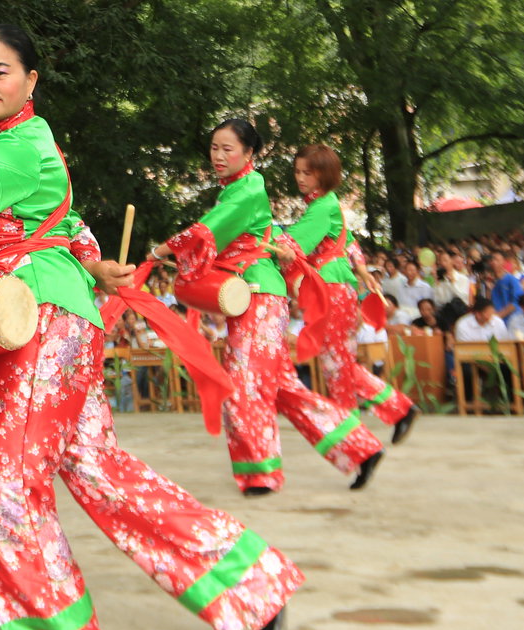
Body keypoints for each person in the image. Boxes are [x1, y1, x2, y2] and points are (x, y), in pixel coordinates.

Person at [0, 25, 296, 630]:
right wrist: (93, 264)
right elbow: (67, 220)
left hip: (43, 326)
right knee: (96, 467)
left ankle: (57, 628)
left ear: (31, 81)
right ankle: (250, 580)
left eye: (1, 71)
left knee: (3, 484)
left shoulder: (16, 147)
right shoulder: (21, 147)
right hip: (61, 316)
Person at [156, 117, 384, 496]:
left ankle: (261, 473)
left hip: (261, 295)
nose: (218, 155)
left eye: (228, 148)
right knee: (280, 387)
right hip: (252, 293)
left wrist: (158, 251)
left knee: (244, 382)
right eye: (214, 147)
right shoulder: (235, 191)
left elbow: (207, 231)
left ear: (249, 154)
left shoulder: (250, 188)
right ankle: (359, 447)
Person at [272, 144, 417, 440]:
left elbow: (292, 244)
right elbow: (348, 239)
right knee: (336, 362)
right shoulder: (329, 203)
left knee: (336, 363)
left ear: (323, 174)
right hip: (336, 286)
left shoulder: (321, 207)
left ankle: (385, 416)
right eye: (297, 171)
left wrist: (262, 240)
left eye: (307, 173)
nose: (299, 178)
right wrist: (361, 268)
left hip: (331, 289)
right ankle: (360, 431)